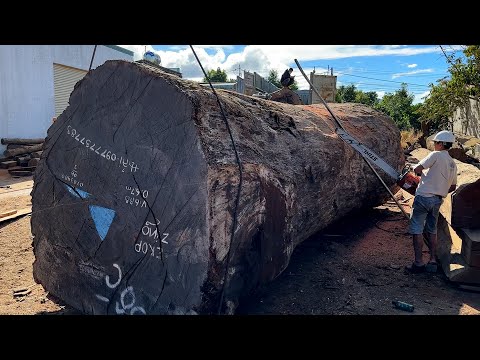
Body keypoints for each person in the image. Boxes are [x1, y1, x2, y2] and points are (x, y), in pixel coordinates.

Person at [406, 130, 457, 274]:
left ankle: (418, 263)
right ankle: (433, 260)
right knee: (432, 229)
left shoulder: (435, 155)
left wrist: (424, 177)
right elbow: (452, 187)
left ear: (441, 144)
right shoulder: (453, 163)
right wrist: (439, 188)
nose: (434, 145)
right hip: (437, 200)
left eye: (435, 143)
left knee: (417, 228)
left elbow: (417, 168)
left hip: (423, 197)